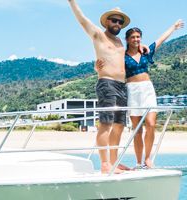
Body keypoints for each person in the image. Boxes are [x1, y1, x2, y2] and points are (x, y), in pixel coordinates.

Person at [66, 0, 133, 174]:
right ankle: (105, 164)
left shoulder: (120, 42)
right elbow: (82, 19)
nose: (117, 23)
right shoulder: (98, 35)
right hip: (107, 84)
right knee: (106, 124)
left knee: (119, 126)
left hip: (121, 86)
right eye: (114, 20)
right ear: (107, 21)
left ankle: (114, 161)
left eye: (120, 21)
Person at [123, 20, 184, 169]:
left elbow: (160, 40)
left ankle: (148, 159)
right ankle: (138, 162)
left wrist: (173, 27)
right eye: (133, 37)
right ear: (127, 39)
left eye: (138, 37)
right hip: (132, 90)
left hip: (147, 89)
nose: (136, 40)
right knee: (137, 129)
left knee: (151, 124)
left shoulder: (146, 51)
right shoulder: (122, 56)